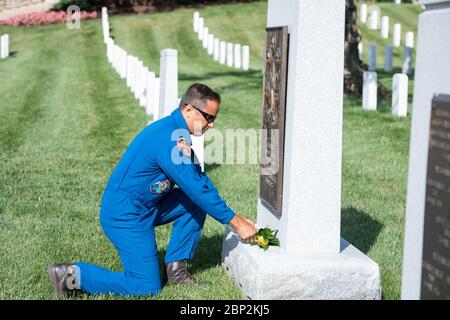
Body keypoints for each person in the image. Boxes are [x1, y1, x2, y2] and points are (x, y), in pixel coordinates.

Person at [47, 83, 258, 298]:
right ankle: (71, 275)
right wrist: (235, 222)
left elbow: (198, 182)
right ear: (189, 110)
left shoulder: (177, 133)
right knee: (145, 286)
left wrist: (235, 216)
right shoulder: (168, 140)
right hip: (125, 216)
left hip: (146, 208)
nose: (211, 125)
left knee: (194, 202)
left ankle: (175, 271)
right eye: (209, 118)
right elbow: (196, 188)